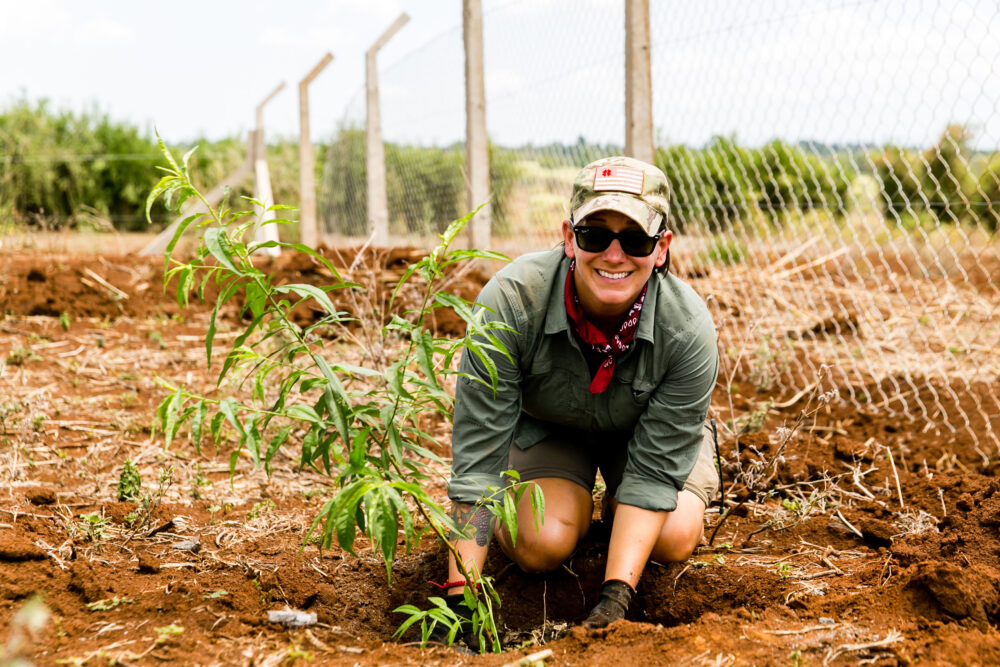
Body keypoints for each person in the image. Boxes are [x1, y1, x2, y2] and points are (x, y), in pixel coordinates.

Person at [437, 156, 719, 646]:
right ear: (569, 237)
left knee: (673, 535)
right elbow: (479, 458)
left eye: (635, 240)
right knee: (543, 544)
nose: (614, 255)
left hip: (642, 439)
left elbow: (654, 472)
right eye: (594, 235)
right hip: (551, 430)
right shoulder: (511, 302)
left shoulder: (687, 329)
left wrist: (614, 600)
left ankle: (619, 518)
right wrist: (459, 597)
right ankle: (583, 508)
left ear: (661, 248)